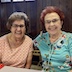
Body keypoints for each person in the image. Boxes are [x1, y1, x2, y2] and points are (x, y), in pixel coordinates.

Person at [33, 6, 72, 72]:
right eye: (48, 22)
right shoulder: (41, 38)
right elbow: (29, 45)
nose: (51, 24)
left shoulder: (69, 38)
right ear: (44, 25)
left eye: (54, 21)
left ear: (61, 22)